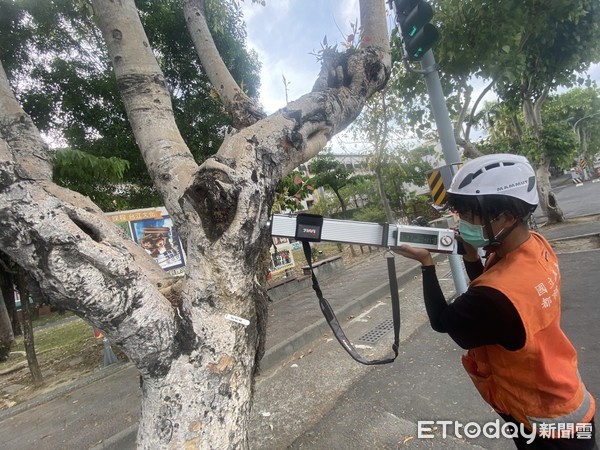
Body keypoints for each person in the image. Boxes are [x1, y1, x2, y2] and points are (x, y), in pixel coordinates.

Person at [394, 154, 597, 449]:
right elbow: (491, 291)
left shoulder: (496, 296)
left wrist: (426, 264)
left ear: (507, 216)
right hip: (567, 394)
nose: (461, 223)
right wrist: (472, 256)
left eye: (469, 214)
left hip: (547, 427)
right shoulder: (535, 247)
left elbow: (444, 322)